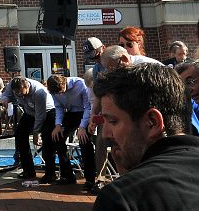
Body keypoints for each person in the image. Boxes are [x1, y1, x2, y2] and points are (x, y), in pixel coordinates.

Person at [92, 63, 199, 210]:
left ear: (153, 122)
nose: (105, 134)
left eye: (112, 121)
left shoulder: (121, 198)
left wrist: (127, 184)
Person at [1, 77, 56, 183]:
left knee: (47, 140)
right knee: (20, 135)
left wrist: (36, 134)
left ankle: (50, 173)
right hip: (29, 112)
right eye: (16, 93)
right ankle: (28, 170)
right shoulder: (12, 84)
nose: (19, 95)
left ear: (27, 86)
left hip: (47, 112)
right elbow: (6, 94)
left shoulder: (39, 92)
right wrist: (5, 98)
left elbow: (40, 116)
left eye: (21, 92)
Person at [46, 74, 96, 188]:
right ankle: (67, 175)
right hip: (71, 114)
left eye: (62, 91)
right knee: (57, 138)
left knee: (84, 141)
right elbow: (58, 107)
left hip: (85, 112)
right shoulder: (54, 91)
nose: (61, 94)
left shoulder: (79, 84)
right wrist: (58, 124)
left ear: (64, 83)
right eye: (58, 93)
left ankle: (90, 179)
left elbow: (88, 106)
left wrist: (82, 127)